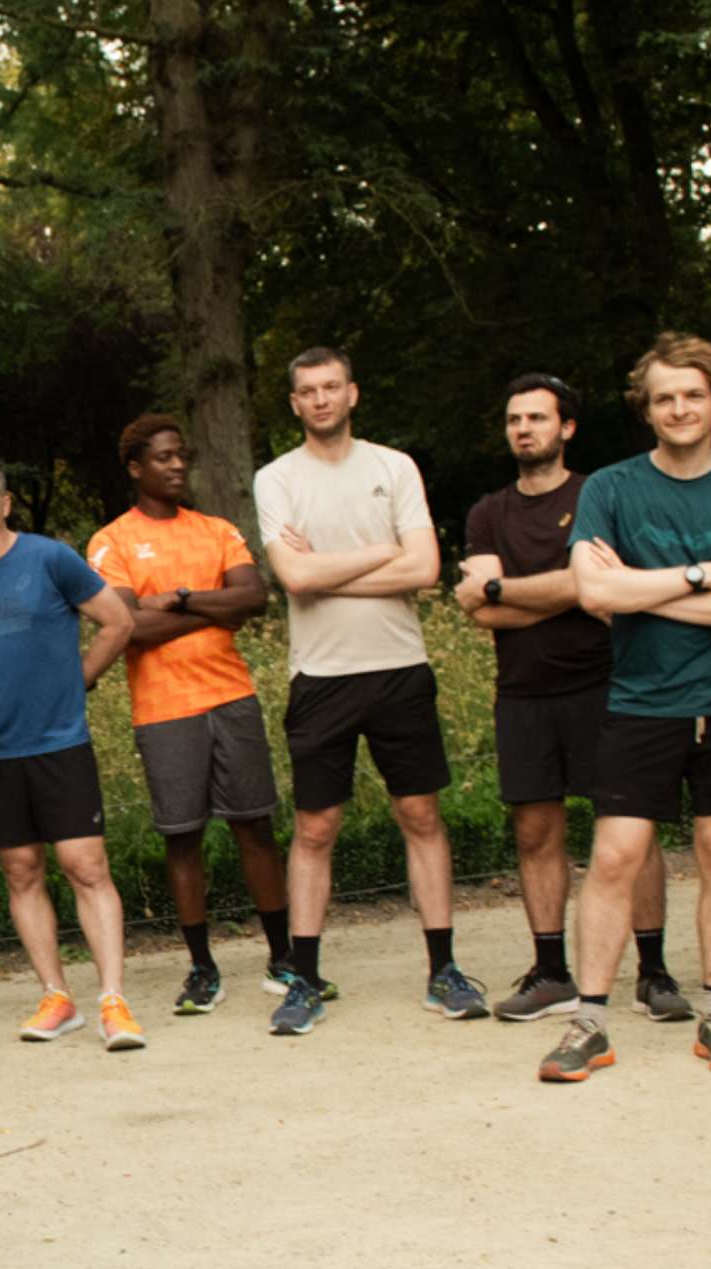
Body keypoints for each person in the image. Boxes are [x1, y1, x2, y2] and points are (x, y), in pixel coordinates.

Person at [537, 335, 711, 1085]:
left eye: (692, 395)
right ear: (646, 410)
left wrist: (642, 592)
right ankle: (589, 1023)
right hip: (640, 703)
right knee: (614, 857)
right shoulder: (610, 489)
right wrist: (703, 575)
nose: (679, 409)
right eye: (663, 398)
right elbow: (593, 592)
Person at [255, 348, 487, 1033]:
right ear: (295, 403)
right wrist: (385, 553)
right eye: (308, 391)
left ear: (352, 393)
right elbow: (295, 579)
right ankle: (304, 980)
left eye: (332, 387)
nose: (321, 399)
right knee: (315, 828)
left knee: (420, 815)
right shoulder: (276, 478)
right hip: (320, 677)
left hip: (399, 668)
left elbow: (426, 569)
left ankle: (444, 970)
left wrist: (329, 571)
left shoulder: (395, 467)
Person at [451, 377, 685, 1024]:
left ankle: (654, 971)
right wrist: (570, 589)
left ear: (568, 428)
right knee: (535, 832)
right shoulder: (488, 513)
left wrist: (506, 588)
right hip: (523, 693)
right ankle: (551, 972)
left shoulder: (599, 495)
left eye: (537, 417)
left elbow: (604, 588)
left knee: (630, 829)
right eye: (514, 419)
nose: (524, 429)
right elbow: (482, 611)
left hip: (607, 686)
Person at [0, 455, 143, 1047]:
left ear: (5, 504)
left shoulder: (50, 558)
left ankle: (113, 1001)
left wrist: (80, 678)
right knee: (20, 871)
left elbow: (117, 622)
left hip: (60, 743)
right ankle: (56, 997)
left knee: (86, 866)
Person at [88, 415, 293, 1015]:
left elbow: (253, 597)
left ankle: (283, 957)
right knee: (183, 838)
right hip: (163, 709)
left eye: (182, 455)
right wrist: (212, 609)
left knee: (255, 826)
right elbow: (127, 627)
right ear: (135, 468)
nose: (178, 465)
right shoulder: (112, 542)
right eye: (163, 458)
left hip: (232, 696)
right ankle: (202, 967)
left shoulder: (217, 530)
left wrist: (177, 600)